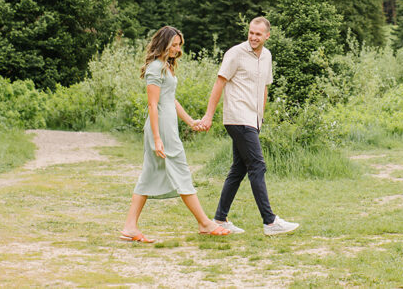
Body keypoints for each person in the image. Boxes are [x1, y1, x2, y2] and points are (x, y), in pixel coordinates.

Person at [120, 26, 230, 242]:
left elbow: (170, 99)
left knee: (149, 174)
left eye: (179, 45)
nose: (177, 49)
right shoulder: (155, 68)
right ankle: (205, 223)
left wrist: (191, 122)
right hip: (161, 128)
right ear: (163, 43)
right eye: (174, 45)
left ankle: (130, 227)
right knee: (181, 170)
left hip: (168, 127)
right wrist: (158, 138)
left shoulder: (166, 67)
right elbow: (153, 106)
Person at [198, 16, 299, 236]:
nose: (253, 37)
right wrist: (208, 115)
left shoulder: (267, 56)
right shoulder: (235, 53)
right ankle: (270, 222)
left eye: (258, 34)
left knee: (239, 168)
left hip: (252, 120)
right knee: (257, 165)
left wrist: (260, 118)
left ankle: (220, 218)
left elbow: (264, 87)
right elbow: (220, 82)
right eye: (251, 32)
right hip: (237, 116)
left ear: (267, 36)